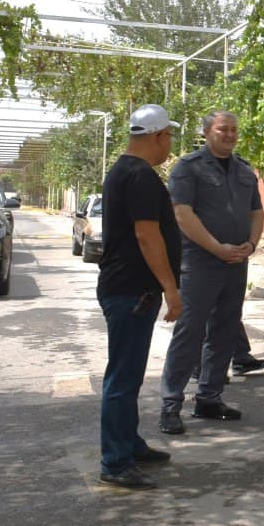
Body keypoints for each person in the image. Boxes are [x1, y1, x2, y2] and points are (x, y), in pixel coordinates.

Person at [158, 111, 264, 435]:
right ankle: (170, 405)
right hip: (201, 261)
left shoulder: (245, 170)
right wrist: (216, 247)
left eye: (234, 129)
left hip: (237, 261)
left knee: (225, 330)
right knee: (190, 331)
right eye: (223, 129)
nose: (230, 134)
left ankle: (209, 398)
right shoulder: (188, 168)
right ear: (206, 132)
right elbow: (182, 213)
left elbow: (256, 212)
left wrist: (251, 244)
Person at [95, 104, 183, 490]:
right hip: (132, 289)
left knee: (127, 374)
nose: (170, 146)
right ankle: (115, 462)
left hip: (125, 287)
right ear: (159, 136)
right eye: (169, 138)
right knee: (123, 377)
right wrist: (171, 288)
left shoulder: (121, 171)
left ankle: (129, 445)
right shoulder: (141, 177)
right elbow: (148, 237)